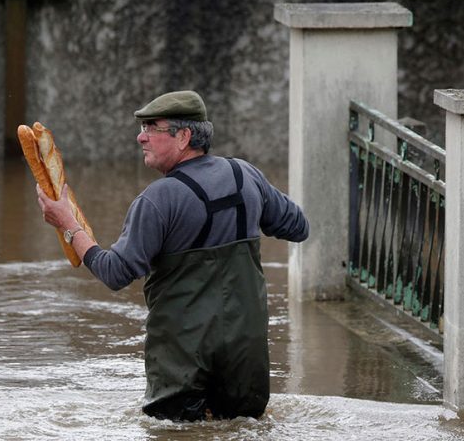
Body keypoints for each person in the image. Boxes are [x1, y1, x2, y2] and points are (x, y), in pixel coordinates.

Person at [36, 90, 309, 421]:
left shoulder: (157, 201)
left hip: (183, 361)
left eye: (152, 127)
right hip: (246, 355)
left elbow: (115, 273)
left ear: (184, 136)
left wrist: (68, 226)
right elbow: (298, 227)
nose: (141, 137)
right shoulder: (245, 175)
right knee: (241, 429)